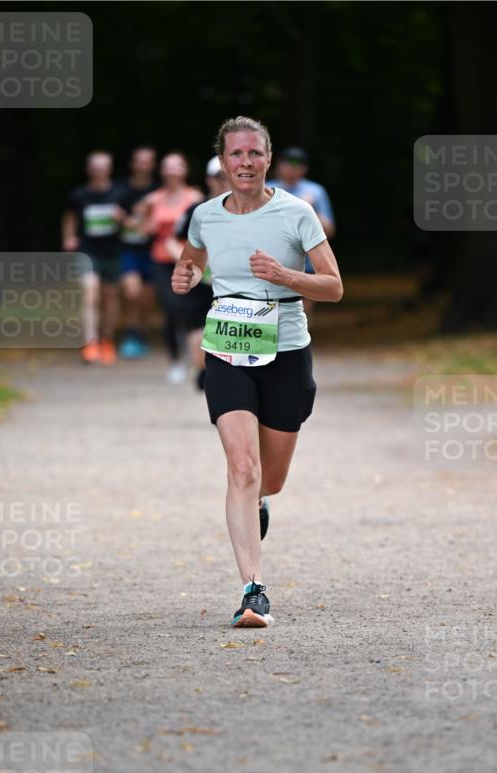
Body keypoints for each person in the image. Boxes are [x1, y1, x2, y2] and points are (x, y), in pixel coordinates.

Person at [172, 116, 342, 628]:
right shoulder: (204, 215)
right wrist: (187, 276)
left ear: (267, 159)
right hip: (225, 349)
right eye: (235, 154)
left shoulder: (297, 212)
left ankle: (263, 499)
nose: (245, 163)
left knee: (271, 478)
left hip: (286, 353)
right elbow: (191, 262)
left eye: (254, 154)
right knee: (241, 467)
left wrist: (287, 275)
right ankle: (253, 590)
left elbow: (333, 286)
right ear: (222, 162)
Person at [141, 153, 202, 384]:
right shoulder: (153, 199)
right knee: (172, 308)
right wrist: (149, 224)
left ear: (184, 170)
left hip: (189, 260)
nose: (172, 172)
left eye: (177, 167)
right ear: (162, 171)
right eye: (168, 167)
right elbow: (142, 230)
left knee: (189, 309)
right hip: (161, 260)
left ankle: (193, 352)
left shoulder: (195, 197)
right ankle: (176, 360)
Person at [62, 151, 126, 365]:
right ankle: (90, 342)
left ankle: (107, 340)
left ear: (109, 169)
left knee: (110, 298)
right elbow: (70, 217)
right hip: (87, 251)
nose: (100, 172)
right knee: (89, 292)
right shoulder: (79, 195)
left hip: (113, 252)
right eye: (96, 168)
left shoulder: (120, 193)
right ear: (89, 170)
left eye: (104, 168)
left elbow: (135, 224)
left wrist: (123, 219)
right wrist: (69, 237)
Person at [175, 156, 231, 391]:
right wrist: (184, 263)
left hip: (231, 286)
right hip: (200, 283)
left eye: (228, 175)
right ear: (209, 179)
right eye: (219, 176)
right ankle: (204, 372)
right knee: (198, 332)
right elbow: (174, 240)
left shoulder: (248, 209)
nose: (225, 180)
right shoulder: (197, 211)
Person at [269, 146, 336, 319]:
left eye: (298, 164)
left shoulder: (315, 191)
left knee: (302, 312)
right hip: (273, 260)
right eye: (287, 163)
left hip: (306, 263)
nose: (292, 168)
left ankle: (301, 342)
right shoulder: (267, 189)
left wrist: (308, 209)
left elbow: (329, 229)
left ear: (305, 168)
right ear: (278, 165)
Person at [117, 146, 159, 359]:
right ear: (133, 164)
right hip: (129, 251)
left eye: (147, 161)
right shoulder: (120, 189)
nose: (143, 165)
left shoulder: (158, 190)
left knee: (147, 299)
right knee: (132, 292)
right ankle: (130, 334)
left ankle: (140, 335)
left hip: (151, 251)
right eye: (139, 161)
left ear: (152, 165)